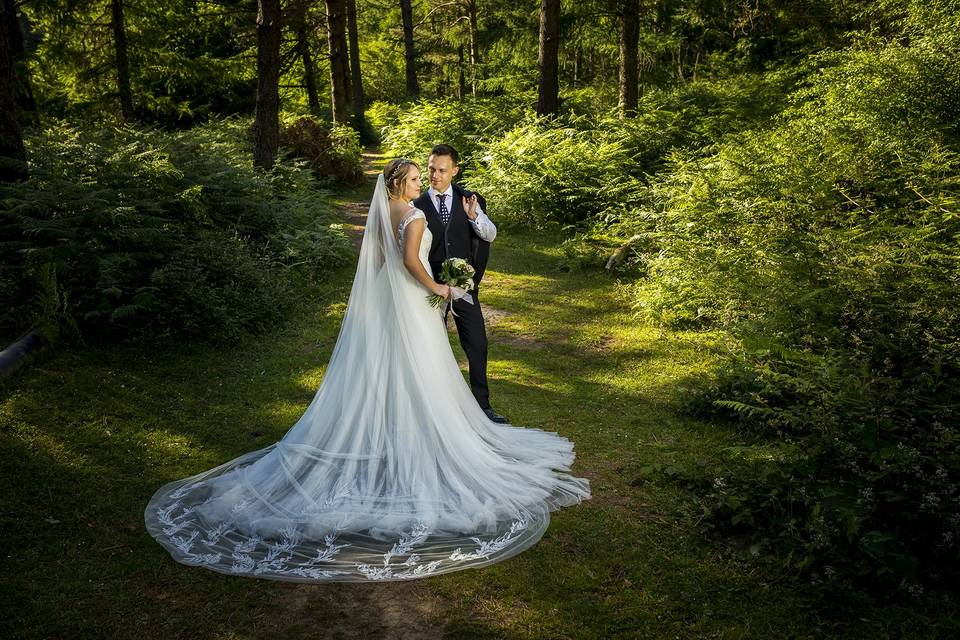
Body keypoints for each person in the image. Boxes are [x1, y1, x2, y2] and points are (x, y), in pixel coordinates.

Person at [143, 159, 590, 582]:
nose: (421, 182)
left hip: (386, 297)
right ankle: (420, 435)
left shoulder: (383, 213)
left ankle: (390, 429)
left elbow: (378, 262)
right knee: (420, 369)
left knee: (384, 370)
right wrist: (440, 286)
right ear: (399, 184)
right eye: (416, 178)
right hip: (412, 301)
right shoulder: (412, 216)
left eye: (423, 176)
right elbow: (413, 263)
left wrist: (380, 298)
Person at [412, 144, 507, 423]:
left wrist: (473, 216)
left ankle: (482, 406)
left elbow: (490, 235)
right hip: (429, 289)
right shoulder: (416, 205)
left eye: (442, 170)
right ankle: (435, 408)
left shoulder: (471, 199)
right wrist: (431, 284)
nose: (435, 175)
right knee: (430, 346)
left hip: (464, 288)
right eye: (431, 169)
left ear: (454, 170)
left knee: (477, 343)